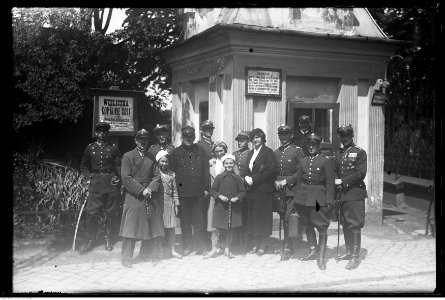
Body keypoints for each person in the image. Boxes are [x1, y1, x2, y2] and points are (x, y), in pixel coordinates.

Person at [289, 133, 334, 270]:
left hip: (317, 198)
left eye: (314, 145)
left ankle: (321, 256)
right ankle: (313, 250)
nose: (311, 147)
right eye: (309, 145)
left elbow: (330, 182)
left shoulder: (325, 160)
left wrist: (329, 201)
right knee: (307, 223)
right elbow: (298, 181)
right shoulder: (303, 161)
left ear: (319, 146)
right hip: (303, 197)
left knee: (320, 225)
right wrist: (297, 196)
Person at [119, 129, 160, 268]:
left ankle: (146, 252)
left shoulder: (152, 157)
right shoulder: (127, 156)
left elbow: (157, 176)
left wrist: (150, 189)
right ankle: (126, 257)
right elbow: (126, 177)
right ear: (135, 141)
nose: (143, 142)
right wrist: (141, 190)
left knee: (149, 223)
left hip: (149, 193)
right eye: (140, 139)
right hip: (134, 194)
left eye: (146, 140)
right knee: (130, 225)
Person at [79, 121, 122, 253]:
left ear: (107, 133)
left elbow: (119, 166)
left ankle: (108, 238)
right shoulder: (90, 148)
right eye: (99, 131)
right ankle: (91, 239)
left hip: (110, 184)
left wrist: (118, 178)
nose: (102, 134)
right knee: (92, 213)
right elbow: (83, 165)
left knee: (111, 213)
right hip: (96, 184)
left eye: (104, 131)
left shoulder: (113, 148)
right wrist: (87, 178)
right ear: (96, 133)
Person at [170, 126, 211, 256]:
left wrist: (206, 188)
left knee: (200, 221)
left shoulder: (201, 151)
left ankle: (200, 246)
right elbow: (172, 172)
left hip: (198, 192)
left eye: (191, 137)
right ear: (182, 137)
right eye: (186, 137)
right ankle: (187, 246)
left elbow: (206, 171)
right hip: (183, 193)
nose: (188, 139)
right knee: (185, 222)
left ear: (194, 137)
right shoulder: (176, 152)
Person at [333, 125, 367, 270]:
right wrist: (335, 180)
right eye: (342, 136)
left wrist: (343, 181)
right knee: (345, 223)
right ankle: (348, 251)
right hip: (342, 194)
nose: (344, 139)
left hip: (354, 193)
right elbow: (335, 170)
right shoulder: (338, 153)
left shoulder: (360, 152)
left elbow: (360, 173)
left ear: (352, 136)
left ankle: (355, 257)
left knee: (354, 224)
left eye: (347, 136)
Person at [273, 125, 305, 261]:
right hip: (279, 190)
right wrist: (275, 180)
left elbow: (300, 172)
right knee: (282, 216)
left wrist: (286, 181)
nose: (283, 137)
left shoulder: (298, 151)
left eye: (286, 134)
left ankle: (287, 246)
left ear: (291, 135)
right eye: (281, 134)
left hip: (292, 189)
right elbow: (273, 170)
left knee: (288, 218)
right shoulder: (277, 152)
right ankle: (288, 243)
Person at [244, 128, 276, 256]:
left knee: (262, 218)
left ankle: (262, 245)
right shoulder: (251, 153)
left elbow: (269, 171)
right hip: (252, 190)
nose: (255, 140)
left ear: (262, 138)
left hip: (263, 189)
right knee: (253, 218)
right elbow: (247, 169)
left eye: (258, 137)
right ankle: (256, 244)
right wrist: (246, 177)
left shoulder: (268, 152)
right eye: (253, 137)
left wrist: (253, 179)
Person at [208, 154, 246, 259]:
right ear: (224, 165)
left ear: (234, 165)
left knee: (230, 229)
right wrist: (220, 196)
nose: (229, 165)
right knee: (216, 228)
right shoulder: (219, 177)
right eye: (227, 163)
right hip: (221, 207)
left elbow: (243, 192)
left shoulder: (237, 178)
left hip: (233, 207)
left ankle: (227, 249)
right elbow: (213, 190)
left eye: (231, 163)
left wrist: (237, 198)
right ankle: (214, 249)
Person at [149, 150, 183, 260]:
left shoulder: (172, 174)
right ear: (158, 162)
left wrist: (176, 204)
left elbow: (175, 190)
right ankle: (161, 251)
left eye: (166, 162)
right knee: (160, 228)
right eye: (162, 161)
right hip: (158, 203)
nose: (164, 164)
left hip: (169, 203)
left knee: (171, 227)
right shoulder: (155, 174)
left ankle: (172, 250)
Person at [205, 142, 228, 258]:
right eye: (217, 151)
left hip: (225, 195)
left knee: (224, 221)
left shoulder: (229, 162)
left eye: (221, 151)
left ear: (225, 150)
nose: (219, 153)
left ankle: (225, 246)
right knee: (212, 221)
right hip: (214, 195)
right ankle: (214, 247)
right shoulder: (211, 163)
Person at [232, 130, 251, 247]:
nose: (240, 143)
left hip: (248, 188)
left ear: (248, 141)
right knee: (236, 213)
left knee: (246, 213)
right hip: (236, 189)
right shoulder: (234, 154)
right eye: (238, 141)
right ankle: (236, 238)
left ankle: (246, 239)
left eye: (242, 141)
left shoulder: (251, 153)